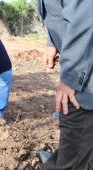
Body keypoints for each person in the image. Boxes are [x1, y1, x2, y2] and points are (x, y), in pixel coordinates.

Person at [37, 0, 93, 169]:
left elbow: (86, 18)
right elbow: (62, 12)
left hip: (87, 74)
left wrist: (71, 78)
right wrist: (52, 43)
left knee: (75, 116)